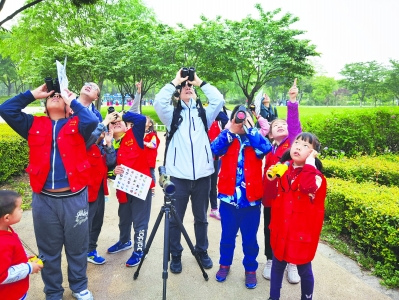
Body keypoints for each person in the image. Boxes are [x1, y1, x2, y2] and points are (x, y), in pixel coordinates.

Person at [0, 84, 98, 300]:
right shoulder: (32, 124)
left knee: (77, 248)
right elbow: (6, 109)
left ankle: (79, 286)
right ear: (44, 106)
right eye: (51, 96)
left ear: (69, 107)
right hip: (44, 200)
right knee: (48, 251)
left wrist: (71, 99)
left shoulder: (77, 123)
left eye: (59, 96)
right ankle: (53, 291)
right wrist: (33, 94)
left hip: (74, 199)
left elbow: (92, 121)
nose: (55, 97)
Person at [154, 69, 224, 273]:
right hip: (179, 177)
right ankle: (175, 254)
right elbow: (159, 101)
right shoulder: (171, 115)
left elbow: (218, 99)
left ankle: (201, 250)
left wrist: (199, 81)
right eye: (184, 86)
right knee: (175, 219)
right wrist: (176, 80)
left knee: (201, 218)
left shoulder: (204, 114)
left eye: (190, 86)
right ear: (177, 92)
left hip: (203, 176)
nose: (187, 87)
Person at [210, 106, 272, 289]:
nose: (241, 122)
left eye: (245, 119)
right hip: (228, 199)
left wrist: (249, 128)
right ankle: (224, 265)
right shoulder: (227, 137)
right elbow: (214, 149)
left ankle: (250, 269)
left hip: (251, 201)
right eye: (238, 118)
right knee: (227, 236)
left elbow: (266, 148)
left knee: (250, 239)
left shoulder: (255, 139)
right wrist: (231, 130)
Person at [268, 132, 327, 300]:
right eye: (297, 142)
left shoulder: (316, 177)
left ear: (313, 154)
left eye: (306, 146)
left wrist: (310, 164)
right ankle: (273, 297)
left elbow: (308, 187)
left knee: (304, 269)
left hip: (299, 236)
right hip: (281, 231)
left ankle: (306, 297)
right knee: (277, 266)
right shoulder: (285, 170)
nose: (299, 146)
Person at [262, 79, 302, 284]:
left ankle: (291, 262)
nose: (281, 126)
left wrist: (292, 102)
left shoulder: (292, 144)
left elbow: (294, 125)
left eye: (282, 124)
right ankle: (270, 259)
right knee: (270, 229)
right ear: (269, 133)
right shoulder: (269, 149)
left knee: (291, 230)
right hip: (270, 199)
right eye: (275, 125)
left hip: (290, 198)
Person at [106, 111, 154, 268]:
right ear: (110, 130)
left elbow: (140, 118)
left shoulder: (134, 134)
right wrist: (114, 171)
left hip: (140, 188)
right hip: (124, 190)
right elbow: (107, 167)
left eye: (119, 122)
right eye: (112, 123)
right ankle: (124, 241)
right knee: (124, 219)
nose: (116, 123)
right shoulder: (109, 144)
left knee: (140, 221)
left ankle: (139, 250)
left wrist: (121, 115)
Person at [85, 113, 117, 265]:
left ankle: (91, 250)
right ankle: (81, 252)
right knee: (86, 223)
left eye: (103, 132)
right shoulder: (84, 146)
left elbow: (111, 163)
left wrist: (109, 145)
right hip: (85, 192)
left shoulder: (102, 148)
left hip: (99, 191)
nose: (102, 135)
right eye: (101, 132)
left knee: (97, 221)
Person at [0, 190, 43, 300]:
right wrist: (29, 267)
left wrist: (23, 258)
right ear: (7, 218)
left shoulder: (6, 228)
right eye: (19, 209)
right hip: (10, 295)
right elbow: (2, 276)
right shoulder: (2, 244)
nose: (22, 210)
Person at [207, 108, 229, 220]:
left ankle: (214, 209)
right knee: (203, 185)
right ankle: (200, 211)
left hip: (215, 156)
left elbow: (226, 119)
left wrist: (217, 107)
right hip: (203, 156)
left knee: (213, 183)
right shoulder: (203, 120)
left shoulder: (220, 121)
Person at [143, 117, 160, 197]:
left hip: (149, 158)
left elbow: (154, 144)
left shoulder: (152, 134)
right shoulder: (143, 133)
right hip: (143, 158)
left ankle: (152, 190)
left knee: (151, 173)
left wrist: (145, 143)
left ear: (150, 124)